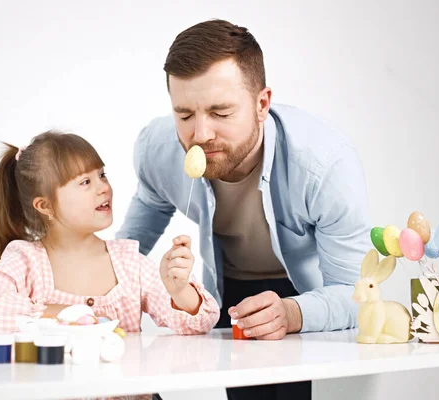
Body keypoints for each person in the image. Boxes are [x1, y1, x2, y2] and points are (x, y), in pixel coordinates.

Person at [116, 19, 371, 400]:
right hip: (224, 286)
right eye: (185, 115)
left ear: (262, 103)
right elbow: (123, 255)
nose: (200, 134)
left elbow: (356, 294)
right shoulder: (158, 149)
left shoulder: (326, 164)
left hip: (302, 294)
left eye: (220, 113)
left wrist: (292, 313)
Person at [0, 131, 219, 349]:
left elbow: (202, 323)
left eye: (102, 174)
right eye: (85, 181)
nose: (103, 187)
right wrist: (64, 314)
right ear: (45, 205)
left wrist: (179, 291)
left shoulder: (128, 262)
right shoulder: (25, 261)